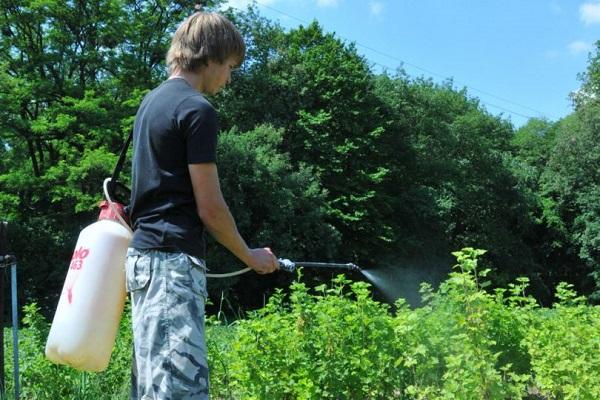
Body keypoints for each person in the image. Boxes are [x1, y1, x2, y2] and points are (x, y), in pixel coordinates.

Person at [126, 11, 279, 399]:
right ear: (209, 57)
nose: (228, 78)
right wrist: (250, 255)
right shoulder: (197, 110)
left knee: (153, 389)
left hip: (143, 264)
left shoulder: (150, 103)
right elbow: (210, 207)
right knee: (180, 392)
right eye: (229, 67)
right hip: (172, 266)